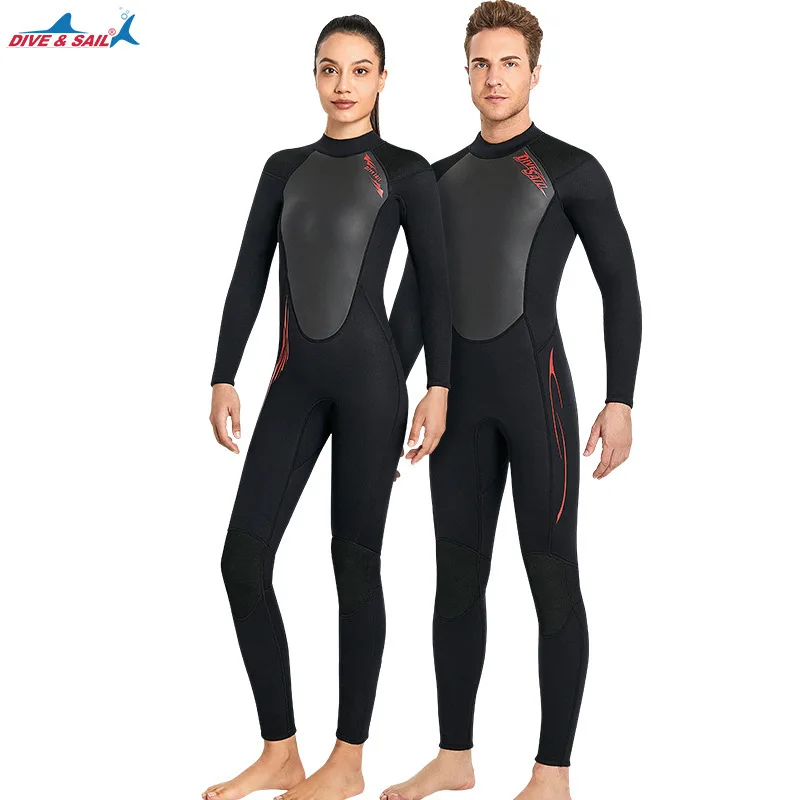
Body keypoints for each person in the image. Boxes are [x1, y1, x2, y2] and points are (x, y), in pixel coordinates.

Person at [382, 3, 641, 800]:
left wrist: (621, 399)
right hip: (456, 409)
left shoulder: (571, 170)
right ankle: (454, 758)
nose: (494, 78)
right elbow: (415, 301)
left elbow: (620, 287)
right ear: (465, 73)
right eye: (481, 63)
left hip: (539, 400)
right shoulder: (436, 180)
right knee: (456, 577)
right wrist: (386, 402)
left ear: (535, 71)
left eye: (508, 63)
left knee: (551, 575)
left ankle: (551, 774)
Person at [204, 16, 451, 800]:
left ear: (383, 79)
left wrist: (438, 387)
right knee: (242, 560)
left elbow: (436, 288)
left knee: (353, 564)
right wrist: (223, 374)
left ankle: (347, 760)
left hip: (373, 386)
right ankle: (281, 750)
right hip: (293, 381)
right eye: (329, 68)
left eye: (360, 69)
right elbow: (249, 272)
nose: (343, 84)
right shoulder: (284, 168)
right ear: (314, 76)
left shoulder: (405, 172)